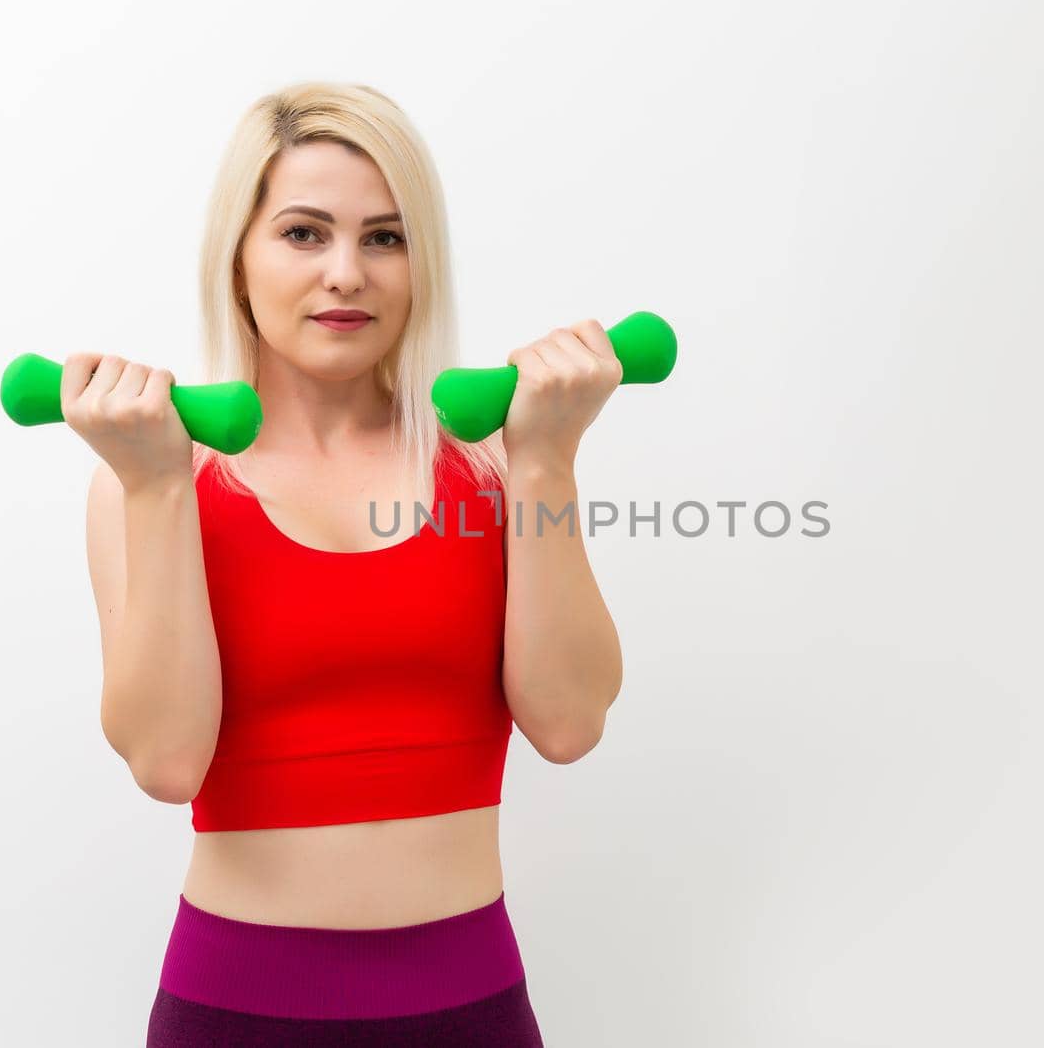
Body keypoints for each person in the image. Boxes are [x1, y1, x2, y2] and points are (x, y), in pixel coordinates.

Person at [63, 82, 626, 1046]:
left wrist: (548, 458)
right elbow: (165, 761)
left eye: (384, 238)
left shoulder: (493, 469)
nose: (346, 274)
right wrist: (158, 490)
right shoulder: (152, 480)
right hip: (233, 1012)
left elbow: (571, 723)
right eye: (303, 233)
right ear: (238, 258)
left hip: (474, 1010)